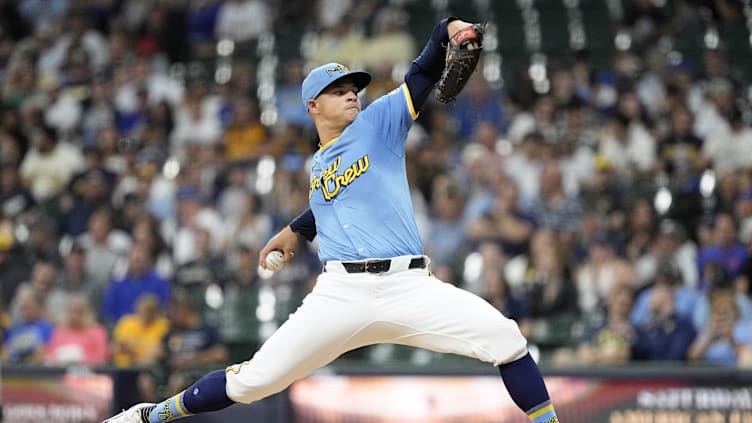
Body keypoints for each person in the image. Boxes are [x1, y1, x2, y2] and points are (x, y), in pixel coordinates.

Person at [103, 17, 559, 423]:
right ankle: (152, 415)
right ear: (313, 106)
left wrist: (449, 29)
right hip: (341, 294)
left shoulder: (378, 122)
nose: (350, 97)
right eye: (338, 92)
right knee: (255, 381)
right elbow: (327, 204)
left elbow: (421, 72)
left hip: (409, 286)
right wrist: (292, 231)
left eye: (352, 90)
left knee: (506, 338)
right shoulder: (320, 165)